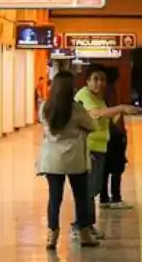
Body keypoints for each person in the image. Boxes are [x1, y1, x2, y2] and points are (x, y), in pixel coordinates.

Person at [73, 64, 141, 241]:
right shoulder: (84, 95)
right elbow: (95, 114)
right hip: (89, 147)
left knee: (93, 188)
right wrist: (120, 108)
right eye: (95, 79)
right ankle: (79, 226)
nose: (99, 83)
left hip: (100, 147)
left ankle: (88, 225)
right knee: (88, 189)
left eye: (102, 79)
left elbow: (108, 116)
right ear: (87, 81)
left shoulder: (99, 97)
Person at [37, 71, 99, 249]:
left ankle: (52, 235)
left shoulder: (45, 108)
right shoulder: (76, 109)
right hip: (74, 160)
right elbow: (92, 126)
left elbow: (45, 125)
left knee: (54, 198)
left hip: (52, 160)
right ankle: (85, 234)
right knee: (80, 197)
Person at [100, 66, 132, 210]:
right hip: (115, 135)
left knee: (105, 169)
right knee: (117, 168)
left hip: (106, 135)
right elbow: (114, 114)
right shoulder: (111, 91)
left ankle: (104, 198)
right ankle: (116, 198)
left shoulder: (100, 93)